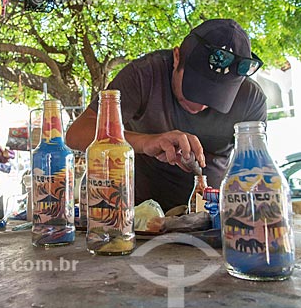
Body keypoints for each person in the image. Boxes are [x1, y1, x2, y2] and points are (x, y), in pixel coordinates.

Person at [65, 19, 267, 212]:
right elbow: (76, 134)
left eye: (216, 96)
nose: (200, 104)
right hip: (140, 220)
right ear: (176, 57)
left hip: (213, 218)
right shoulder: (144, 76)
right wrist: (145, 142)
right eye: (194, 88)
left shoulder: (250, 98)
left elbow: (255, 173)